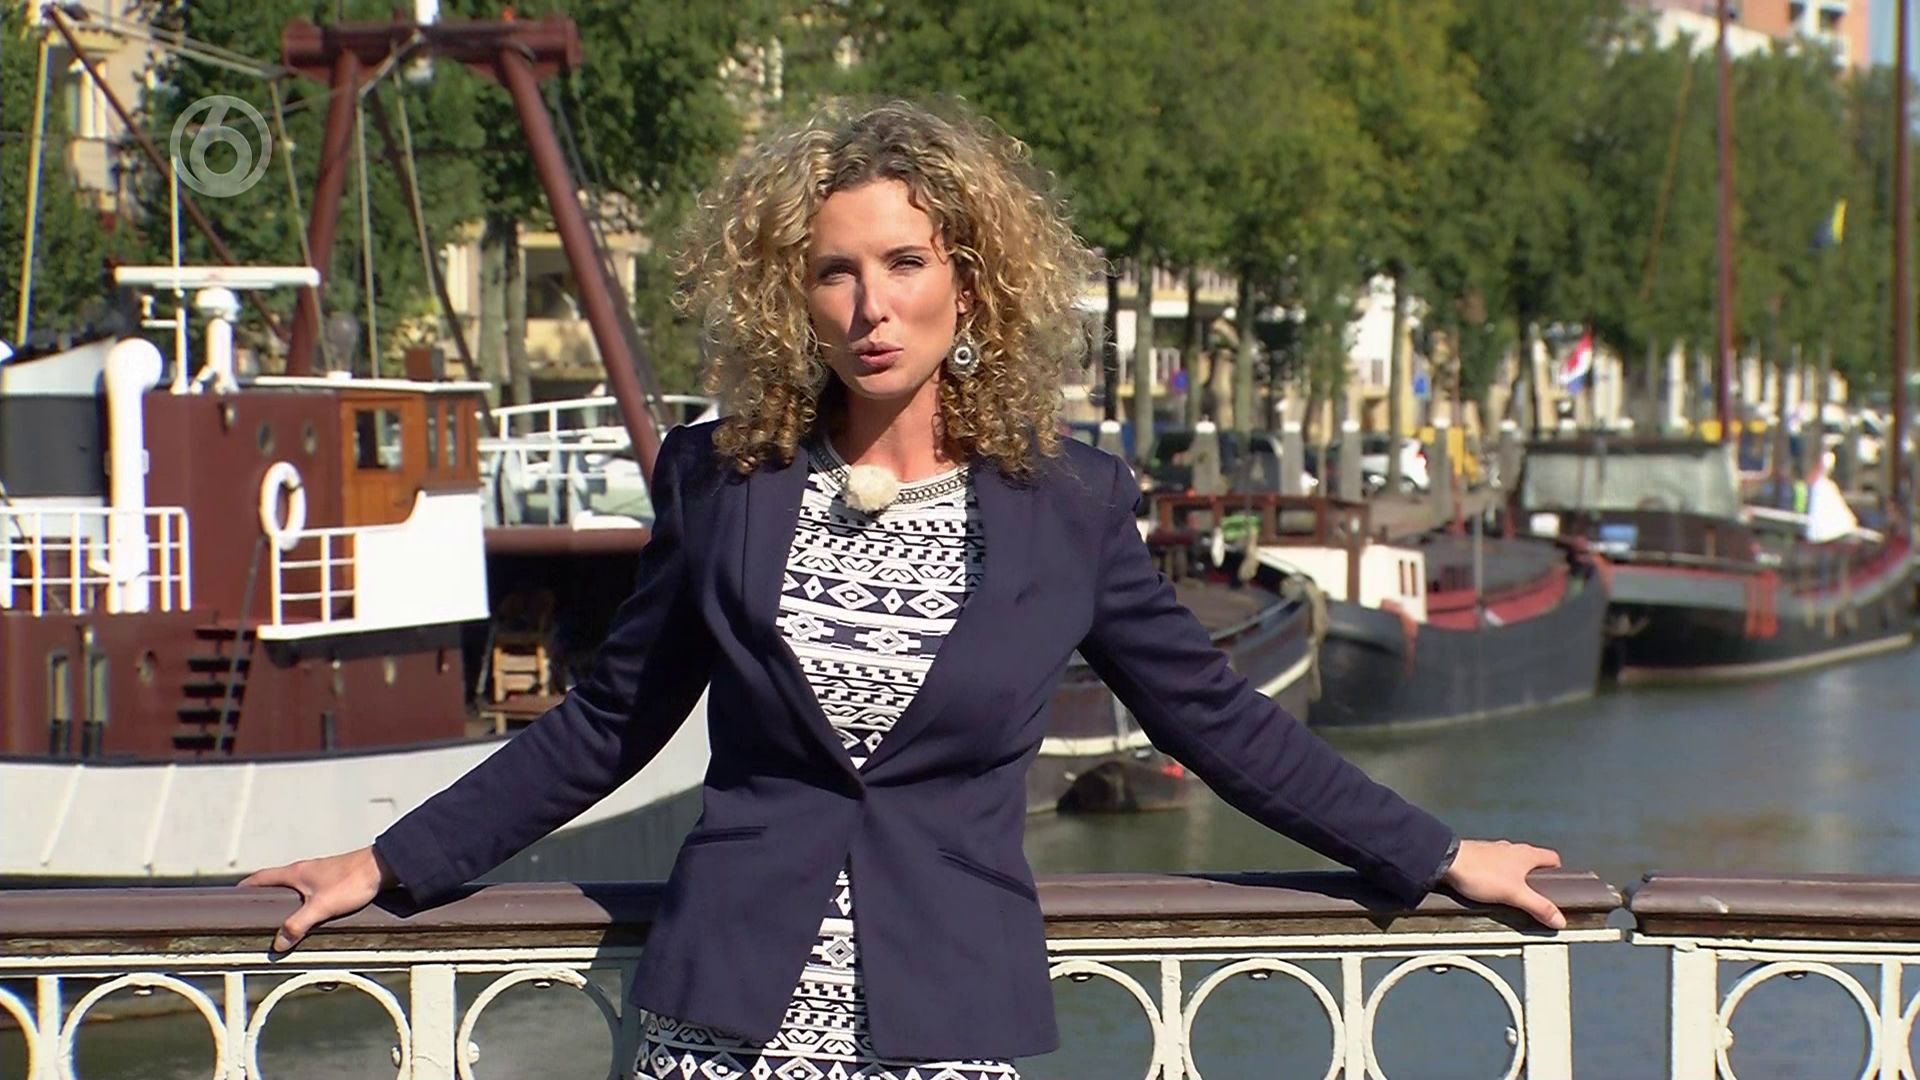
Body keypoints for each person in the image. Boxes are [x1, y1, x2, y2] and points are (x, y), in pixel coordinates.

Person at [242, 100, 1564, 1079]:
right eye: (837, 270)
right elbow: (608, 724)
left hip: (942, 1028)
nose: (870, 305)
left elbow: (1216, 721)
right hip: (724, 1028)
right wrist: (389, 862)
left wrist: (1439, 855)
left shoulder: (1069, 505)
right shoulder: (722, 479)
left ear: (969, 285)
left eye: (905, 263)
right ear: (798, 296)